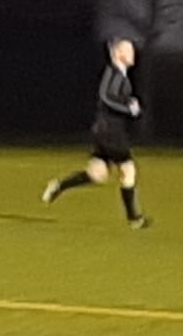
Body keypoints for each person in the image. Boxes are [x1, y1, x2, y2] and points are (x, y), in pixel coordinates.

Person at [42, 39, 151, 227]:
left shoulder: (121, 75)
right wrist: (128, 109)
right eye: (128, 50)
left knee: (96, 174)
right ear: (118, 54)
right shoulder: (113, 72)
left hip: (104, 132)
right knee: (128, 170)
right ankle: (134, 219)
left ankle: (59, 186)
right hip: (110, 133)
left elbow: (113, 98)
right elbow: (105, 96)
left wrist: (130, 104)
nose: (133, 54)